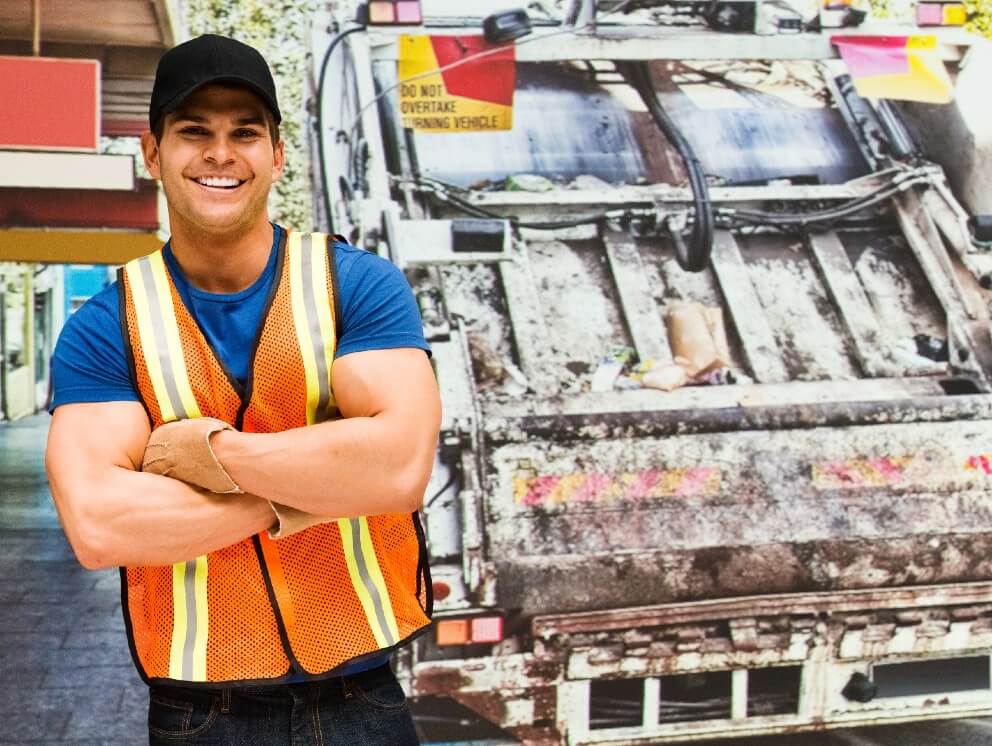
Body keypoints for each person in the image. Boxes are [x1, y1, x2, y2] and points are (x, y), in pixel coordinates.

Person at [44, 34, 440, 744]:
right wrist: (318, 489)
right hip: (200, 713)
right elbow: (101, 527)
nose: (220, 152)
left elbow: (398, 469)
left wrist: (207, 454)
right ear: (153, 153)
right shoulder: (107, 327)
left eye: (245, 133)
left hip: (364, 700)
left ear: (278, 154)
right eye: (194, 131)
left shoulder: (356, 286)